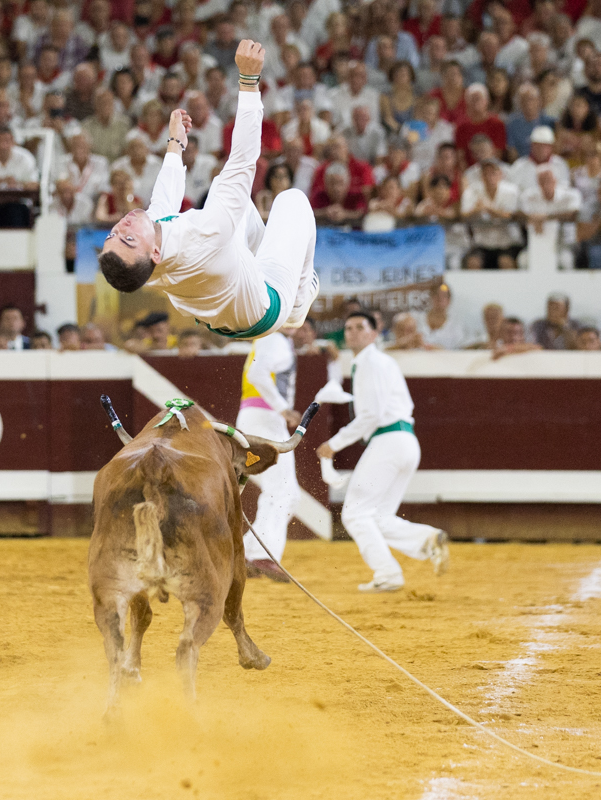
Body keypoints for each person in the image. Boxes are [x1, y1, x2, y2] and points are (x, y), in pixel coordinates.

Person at [97, 41, 319, 342]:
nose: (122, 226)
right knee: (291, 200)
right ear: (155, 253)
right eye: (129, 238)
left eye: (113, 235)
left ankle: (269, 275)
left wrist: (175, 142)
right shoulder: (205, 234)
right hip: (269, 305)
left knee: (222, 195)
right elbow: (243, 159)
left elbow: (163, 202)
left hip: (230, 296)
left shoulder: (148, 262)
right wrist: (249, 82)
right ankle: (298, 303)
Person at [316, 311, 448, 592]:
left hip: (387, 440)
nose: (352, 332)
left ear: (374, 334)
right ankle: (426, 539)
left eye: (360, 327)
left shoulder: (370, 363)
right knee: (377, 517)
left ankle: (388, 574)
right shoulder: (379, 362)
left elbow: (371, 415)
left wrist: (333, 444)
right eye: (348, 327)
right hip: (404, 441)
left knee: (354, 514)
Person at [237, 327, 301, 582]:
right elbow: (257, 373)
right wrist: (284, 409)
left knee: (286, 492)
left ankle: (249, 552)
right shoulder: (275, 339)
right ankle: (262, 554)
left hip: (258, 417)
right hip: (266, 418)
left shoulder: (268, 338)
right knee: (282, 490)